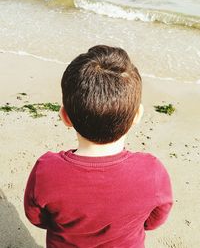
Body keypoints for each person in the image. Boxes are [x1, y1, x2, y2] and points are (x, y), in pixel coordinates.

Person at [24, 45, 173, 248]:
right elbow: (156, 218)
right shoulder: (152, 171)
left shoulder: (46, 170)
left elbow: (37, 217)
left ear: (65, 116)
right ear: (137, 115)